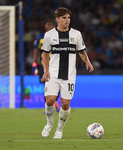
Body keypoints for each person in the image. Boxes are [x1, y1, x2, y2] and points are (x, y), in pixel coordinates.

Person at [41, 7, 94, 139]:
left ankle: (59, 129)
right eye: (64, 18)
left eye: (68, 18)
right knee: (50, 101)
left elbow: (81, 51)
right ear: (57, 19)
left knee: (65, 104)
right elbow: (45, 54)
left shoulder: (76, 34)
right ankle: (49, 124)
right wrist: (45, 71)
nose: (67, 20)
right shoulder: (49, 35)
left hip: (69, 75)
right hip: (53, 73)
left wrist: (87, 61)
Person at [32, 19, 60, 113]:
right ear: (45, 26)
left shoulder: (58, 36)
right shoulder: (40, 37)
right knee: (46, 85)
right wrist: (34, 64)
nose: (50, 26)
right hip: (44, 66)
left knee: (59, 85)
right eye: (48, 25)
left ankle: (54, 101)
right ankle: (47, 106)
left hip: (57, 65)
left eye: (52, 25)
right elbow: (36, 51)